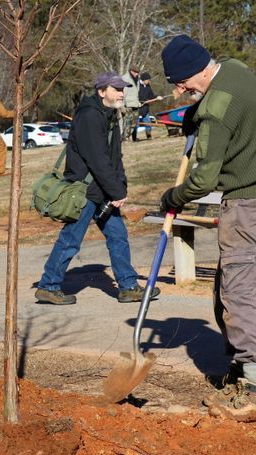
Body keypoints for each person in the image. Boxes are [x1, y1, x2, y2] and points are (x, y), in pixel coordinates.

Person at [158, 34, 256, 422]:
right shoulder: (235, 70)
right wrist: (193, 115)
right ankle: (238, 369)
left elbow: (203, 181)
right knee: (226, 287)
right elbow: (214, 104)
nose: (181, 91)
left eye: (182, 84)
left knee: (237, 293)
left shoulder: (214, 111)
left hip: (247, 207)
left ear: (196, 72)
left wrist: (172, 197)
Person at [34, 71, 162, 305]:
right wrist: (116, 191)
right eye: (117, 89)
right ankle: (48, 286)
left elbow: (114, 157)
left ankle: (128, 287)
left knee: (118, 236)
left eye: (123, 89)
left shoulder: (109, 114)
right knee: (71, 239)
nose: (122, 93)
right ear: (102, 91)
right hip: (84, 192)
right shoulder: (90, 116)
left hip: (102, 190)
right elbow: (97, 159)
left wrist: (120, 187)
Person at [122, 66, 143, 142]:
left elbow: (137, 92)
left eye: (138, 72)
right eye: (136, 72)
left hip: (135, 104)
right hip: (128, 104)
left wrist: (138, 102)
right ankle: (125, 138)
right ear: (131, 71)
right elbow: (123, 92)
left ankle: (130, 137)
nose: (137, 74)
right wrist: (122, 105)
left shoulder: (137, 79)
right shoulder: (125, 79)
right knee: (127, 122)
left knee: (134, 123)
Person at [136, 71, 157, 141]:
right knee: (136, 123)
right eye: (148, 80)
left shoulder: (148, 86)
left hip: (145, 107)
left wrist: (157, 97)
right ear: (144, 80)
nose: (149, 81)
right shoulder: (137, 85)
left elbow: (151, 96)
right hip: (137, 107)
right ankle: (134, 137)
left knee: (148, 122)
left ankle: (149, 136)